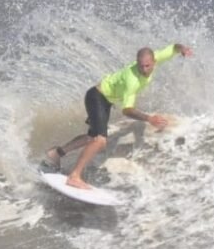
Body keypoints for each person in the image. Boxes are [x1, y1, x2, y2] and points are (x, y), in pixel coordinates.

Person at [45, 43, 193, 189]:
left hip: (104, 99)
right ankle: (74, 176)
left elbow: (173, 48)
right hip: (97, 97)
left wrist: (182, 49)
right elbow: (127, 110)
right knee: (100, 141)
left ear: (154, 61)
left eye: (147, 66)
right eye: (141, 66)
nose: (144, 69)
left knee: (91, 138)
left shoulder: (155, 58)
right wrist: (149, 119)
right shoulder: (132, 80)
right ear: (137, 62)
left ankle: (56, 153)